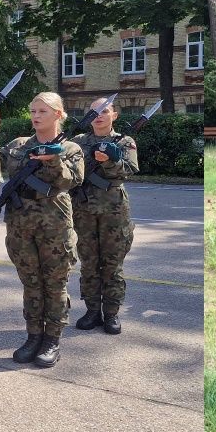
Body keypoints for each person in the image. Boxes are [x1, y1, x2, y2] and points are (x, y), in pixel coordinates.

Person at [0, 91, 83, 368]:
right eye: (33, 111)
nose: (35, 116)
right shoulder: (18, 145)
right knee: (31, 283)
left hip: (55, 224)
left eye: (42, 111)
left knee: (55, 284)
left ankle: (52, 340)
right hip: (21, 225)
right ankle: (33, 336)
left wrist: (53, 159)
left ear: (58, 114)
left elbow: (71, 181)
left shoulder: (71, 149)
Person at [71, 101, 142, 334]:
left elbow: (129, 170)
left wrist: (111, 160)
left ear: (114, 115)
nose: (99, 116)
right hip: (83, 210)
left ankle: (111, 313)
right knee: (89, 263)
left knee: (112, 265)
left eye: (104, 112)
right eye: (94, 112)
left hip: (114, 211)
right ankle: (92, 311)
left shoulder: (124, 142)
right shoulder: (78, 142)